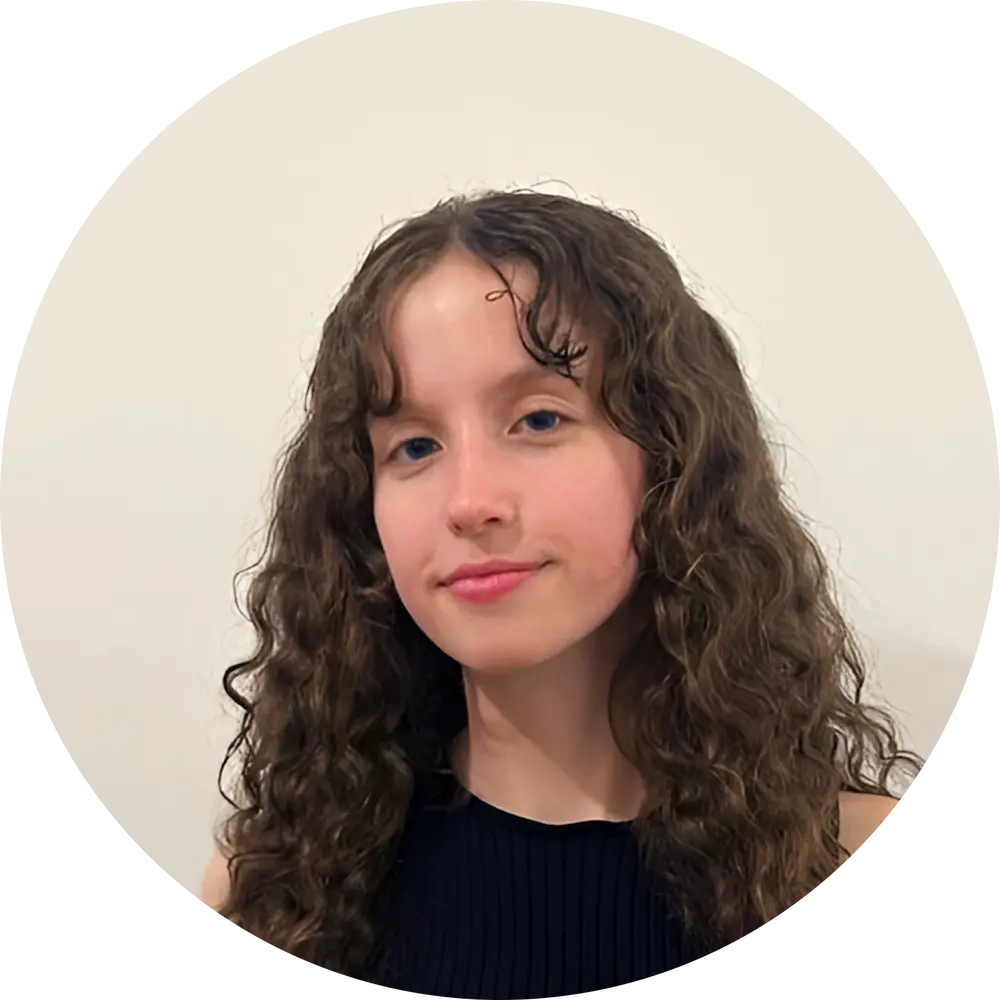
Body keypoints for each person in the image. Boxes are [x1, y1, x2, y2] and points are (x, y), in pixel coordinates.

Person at [199, 189, 922, 997]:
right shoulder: (274, 890)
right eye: (415, 445)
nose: (469, 501)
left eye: (539, 420)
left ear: (673, 459)